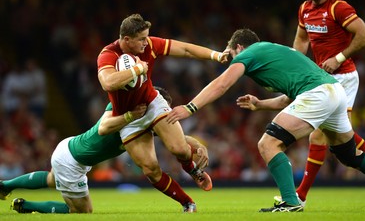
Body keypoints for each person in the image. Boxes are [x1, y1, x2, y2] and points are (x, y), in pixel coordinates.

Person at [166, 28, 365, 212]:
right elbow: (288, 99)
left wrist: (190, 107)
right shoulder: (274, 52)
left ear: (239, 46)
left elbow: (223, 83)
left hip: (318, 94)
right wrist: (260, 105)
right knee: (349, 154)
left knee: (268, 143)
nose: (231, 60)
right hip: (333, 91)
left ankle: (291, 201)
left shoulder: (249, 53)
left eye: (231, 55)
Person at [0, 88, 210, 213]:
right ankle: (26, 206)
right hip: (72, 160)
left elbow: (179, 138)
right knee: (82, 211)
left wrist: (198, 146)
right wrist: (128, 116)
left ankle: (5, 186)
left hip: (71, 149)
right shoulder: (124, 111)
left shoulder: (144, 124)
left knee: (51, 179)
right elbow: (105, 127)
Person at [283, 0, 365, 208]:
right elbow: (302, 40)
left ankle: (300, 197)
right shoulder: (304, 8)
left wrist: (339, 57)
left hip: (343, 77)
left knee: (319, 135)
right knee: (341, 138)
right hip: (322, 78)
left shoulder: (338, 7)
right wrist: (294, 68)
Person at [97, 13, 228, 193]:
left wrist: (216, 55)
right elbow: (108, 83)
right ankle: (188, 204)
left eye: (147, 37)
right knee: (151, 170)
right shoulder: (108, 54)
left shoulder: (150, 45)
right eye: (141, 39)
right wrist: (137, 69)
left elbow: (185, 49)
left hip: (151, 102)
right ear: (127, 39)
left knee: (179, 149)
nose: (146, 42)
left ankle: (193, 170)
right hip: (127, 116)